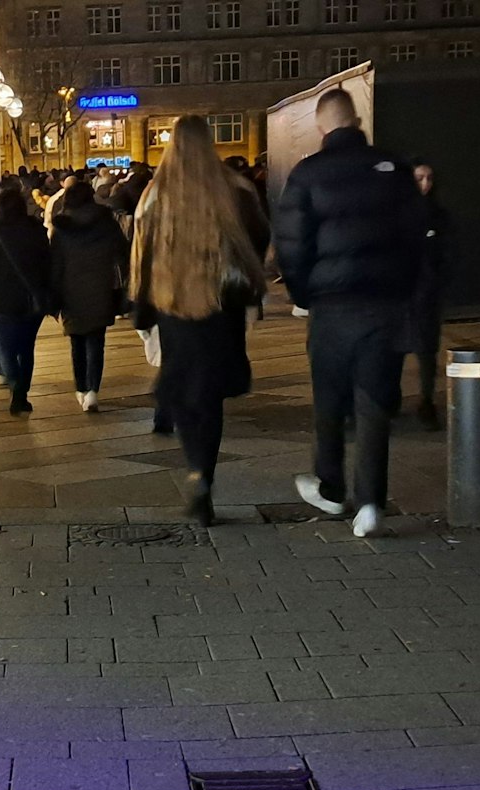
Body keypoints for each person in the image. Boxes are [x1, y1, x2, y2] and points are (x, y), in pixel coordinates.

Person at [275, 87, 427, 538]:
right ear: (356, 122)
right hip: (384, 304)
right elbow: (417, 236)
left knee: (328, 397)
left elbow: (291, 244)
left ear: (322, 126)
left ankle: (331, 485)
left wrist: (303, 295)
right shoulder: (394, 168)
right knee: (375, 401)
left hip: (332, 305)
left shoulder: (308, 174)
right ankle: (372, 504)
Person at [130, 114, 270, 528]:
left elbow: (143, 251)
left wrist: (142, 306)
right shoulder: (236, 189)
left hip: (174, 304)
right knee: (210, 396)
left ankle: (194, 468)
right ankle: (204, 475)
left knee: (182, 389)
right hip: (221, 306)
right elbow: (259, 236)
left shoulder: (156, 194)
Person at [0, 185, 55, 417]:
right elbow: (48, 265)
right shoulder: (36, 231)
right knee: (26, 350)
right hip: (31, 303)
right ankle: (21, 396)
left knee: (6, 352)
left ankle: (15, 388)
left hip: (3, 304)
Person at [50, 181, 131, 412]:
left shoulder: (62, 226)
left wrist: (53, 297)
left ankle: (81, 388)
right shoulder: (105, 221)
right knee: (97, 341)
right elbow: (122, 252)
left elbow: (55, 264)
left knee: (77, 342)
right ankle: (93, 391)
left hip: (70, 290)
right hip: (100, 287)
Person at [404, 162, 453, 430]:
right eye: (420, 178)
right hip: (404, 290)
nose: (425, 184)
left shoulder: (437, 214)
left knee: (425, 349)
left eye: (429, 178)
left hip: (425, 291)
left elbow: (447, 252)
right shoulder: (398, 213)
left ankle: (426, 400)